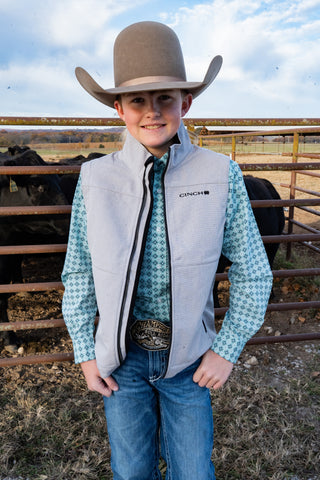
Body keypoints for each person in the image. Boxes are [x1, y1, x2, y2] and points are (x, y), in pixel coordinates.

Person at [62, 21, 273, 480]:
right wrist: (85, 348)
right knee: (132, 470)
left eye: (165, 99)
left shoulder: (220, 174)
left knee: (194, 471)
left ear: (186, 102)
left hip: (189, 358)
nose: (152, 112)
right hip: (122, 358)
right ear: (119, 109)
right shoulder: (95, 180)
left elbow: (254, 269)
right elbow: (78, 269)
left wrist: (227, 348)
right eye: (138, 100)